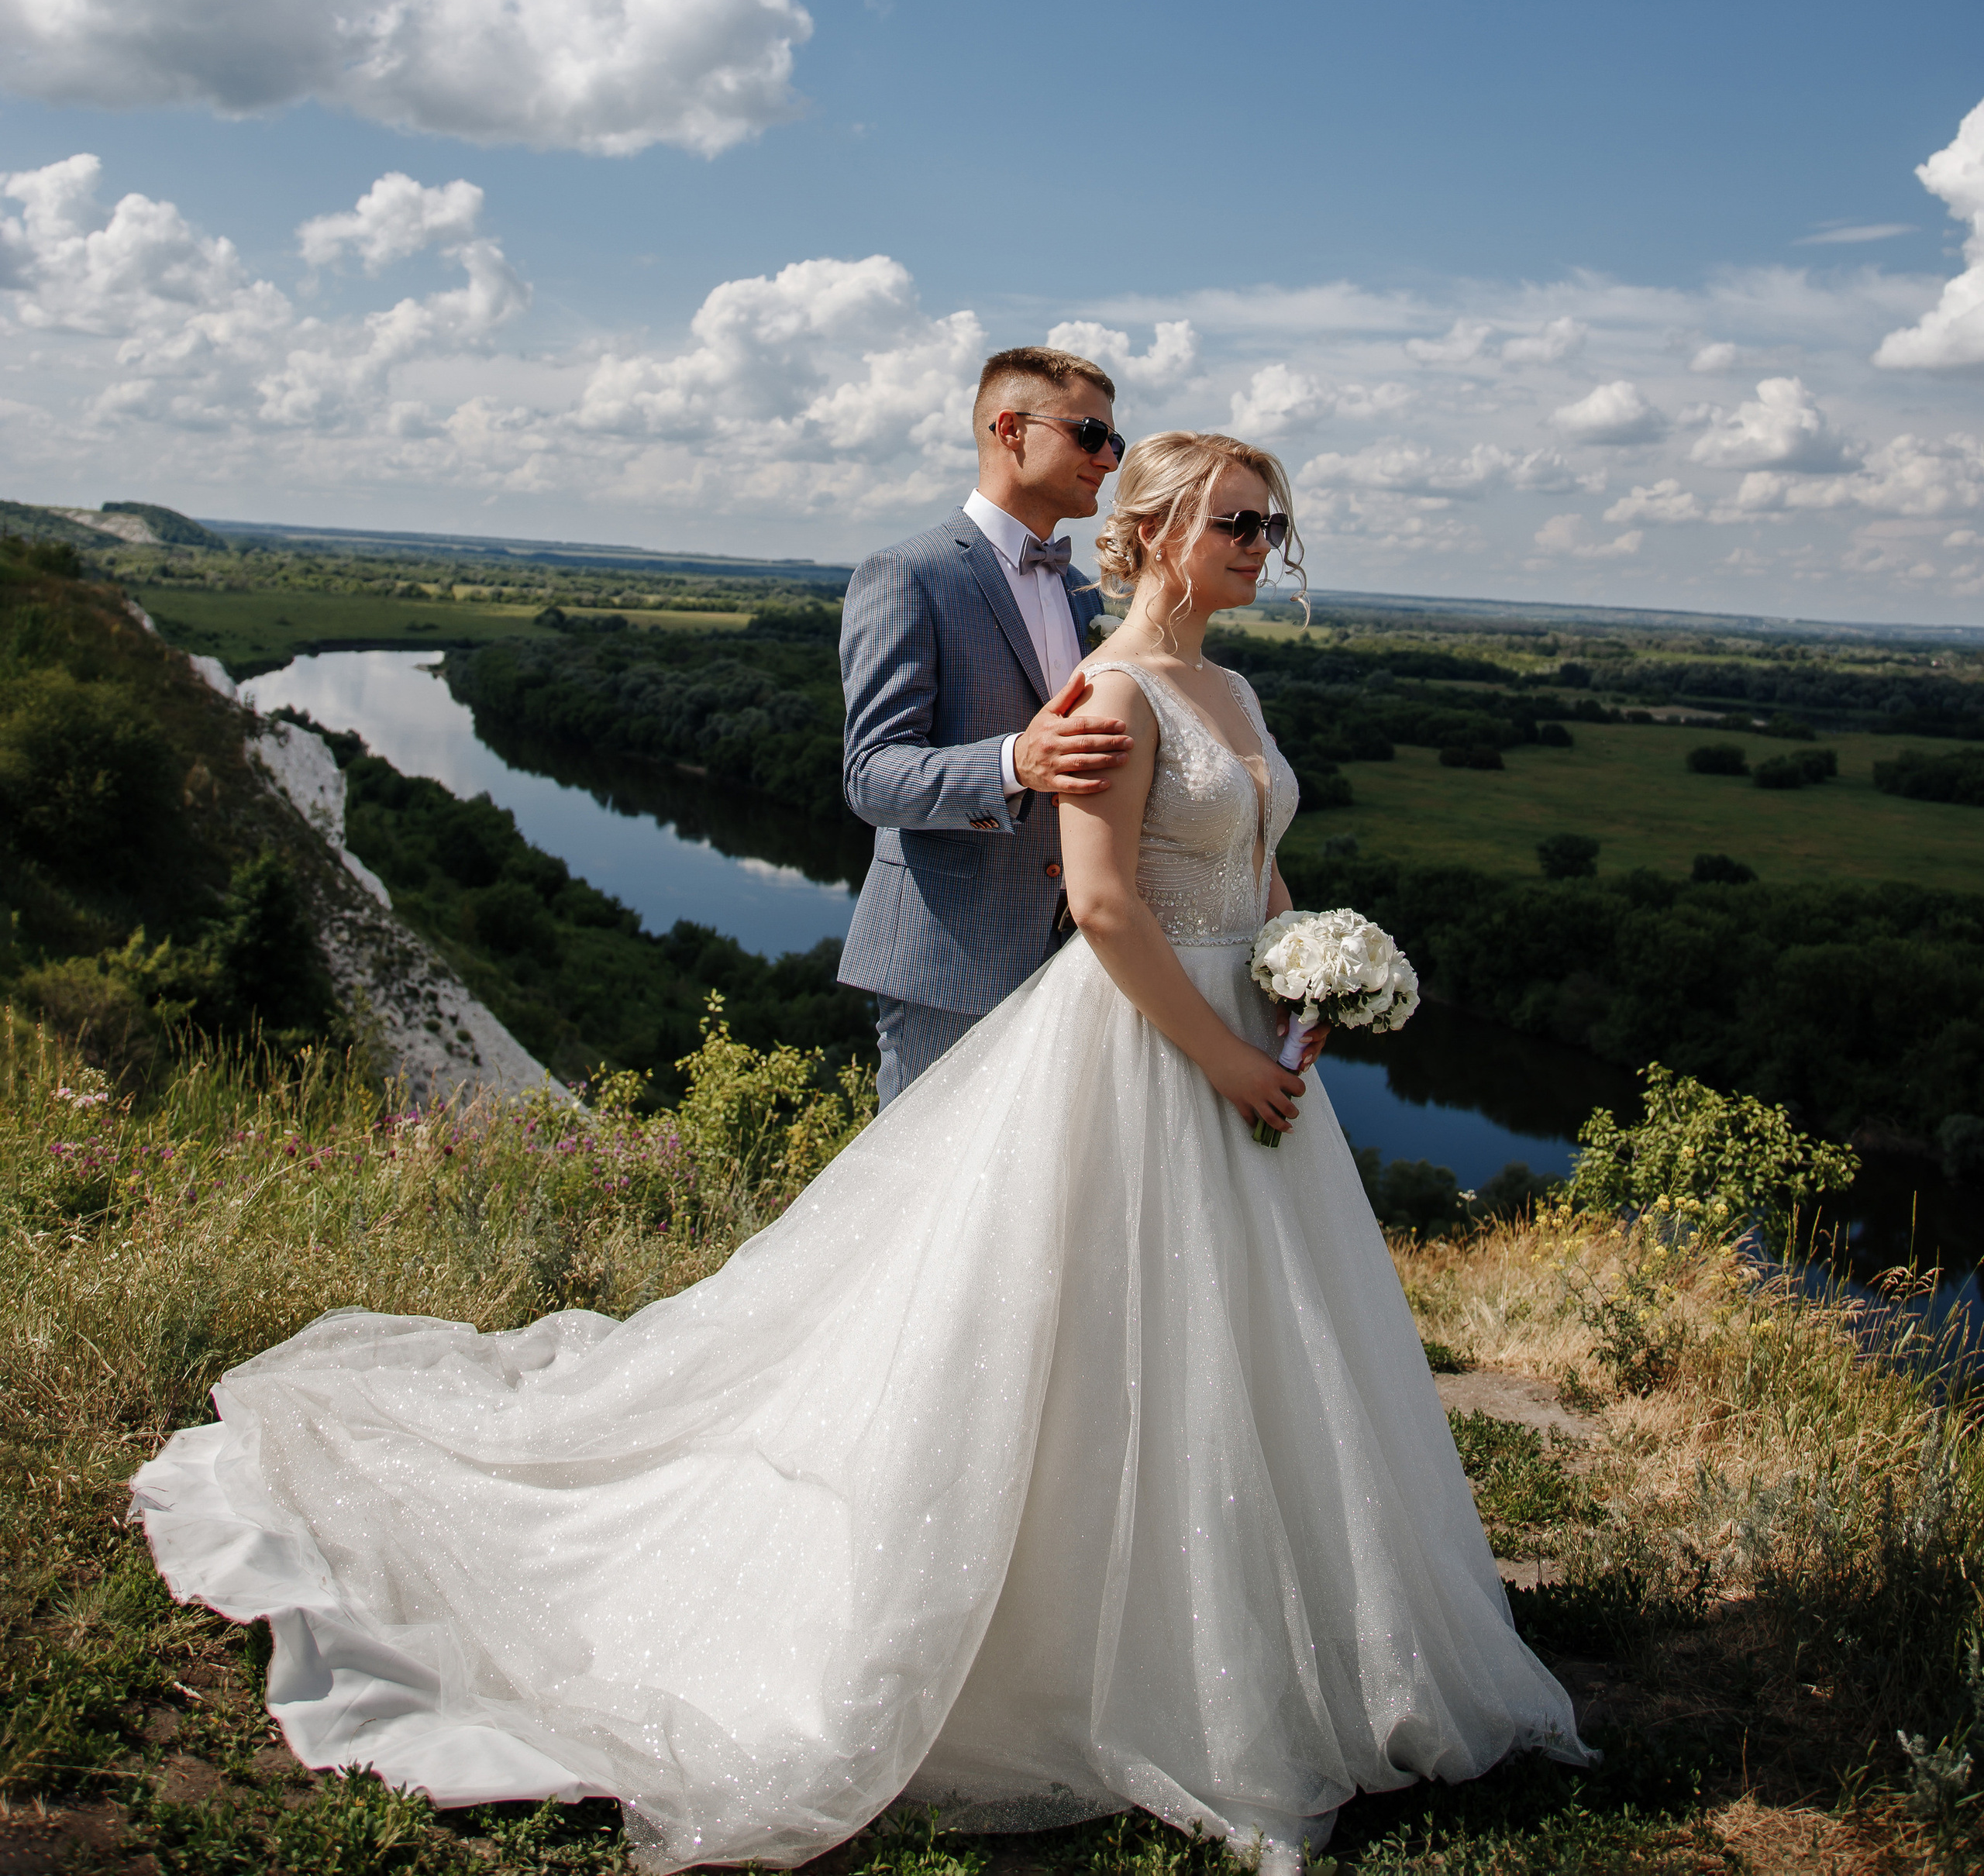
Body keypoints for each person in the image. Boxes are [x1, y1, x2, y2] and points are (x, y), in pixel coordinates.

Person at [134, 429, 1586, 1876]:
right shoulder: (1116, 691)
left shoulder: (1238, 688)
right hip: (1152, 1042)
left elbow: (1254, 860)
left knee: (1263, 1335)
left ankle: (1287, 1619)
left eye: (1274, 526)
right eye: (1239, 524)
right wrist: (1220, 1056)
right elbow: (1101, 904)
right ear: (1152, 533)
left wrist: (1303, 968)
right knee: (1100, 1325)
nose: (1265, 549)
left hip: (1248, 1037)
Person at [838, 343, 1135, 1103]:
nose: (1109, 459)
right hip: (948, 962)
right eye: (1091, 435)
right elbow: (871, 776)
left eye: (1115, 441)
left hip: (1072, 962)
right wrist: (1013, 764)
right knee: (919, 1175)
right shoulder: (908, 573)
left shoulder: (1078, 589)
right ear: (1011, 429)